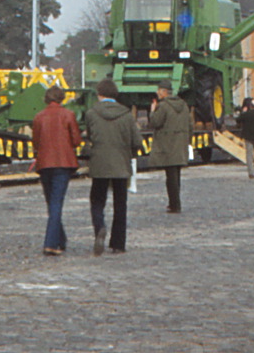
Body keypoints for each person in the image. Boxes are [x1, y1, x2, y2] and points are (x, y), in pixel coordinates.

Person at [83, 78, 136, 255]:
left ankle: (100, 227)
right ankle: (118, 244)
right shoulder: (126, 114)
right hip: (121, 163)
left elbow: (90, 136)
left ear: (99, 94)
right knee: (120, 204)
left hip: (99, 163)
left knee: (97, 201)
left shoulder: (92, 113)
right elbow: (136, 140)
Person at [31, 84, 82, 255]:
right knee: (56, 203)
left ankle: (61, 239)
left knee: (51, 202)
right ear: (62, 98)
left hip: (44, 164)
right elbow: (76, 141)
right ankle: (51, 244)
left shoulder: (39, 117)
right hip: (63, 163)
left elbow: (36, 143)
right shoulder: (68, 115)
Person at [146, 82, 191, 210]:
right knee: (176, 175)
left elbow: (155, 122)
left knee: (170, 176)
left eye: (159, 90)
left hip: (167, 145)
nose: (157, 93)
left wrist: (152, 111)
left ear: (164, 92)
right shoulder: (184, 105)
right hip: (180, 145)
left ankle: (175, 204)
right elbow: (190, 125)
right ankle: (175, 202)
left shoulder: (163, 106)